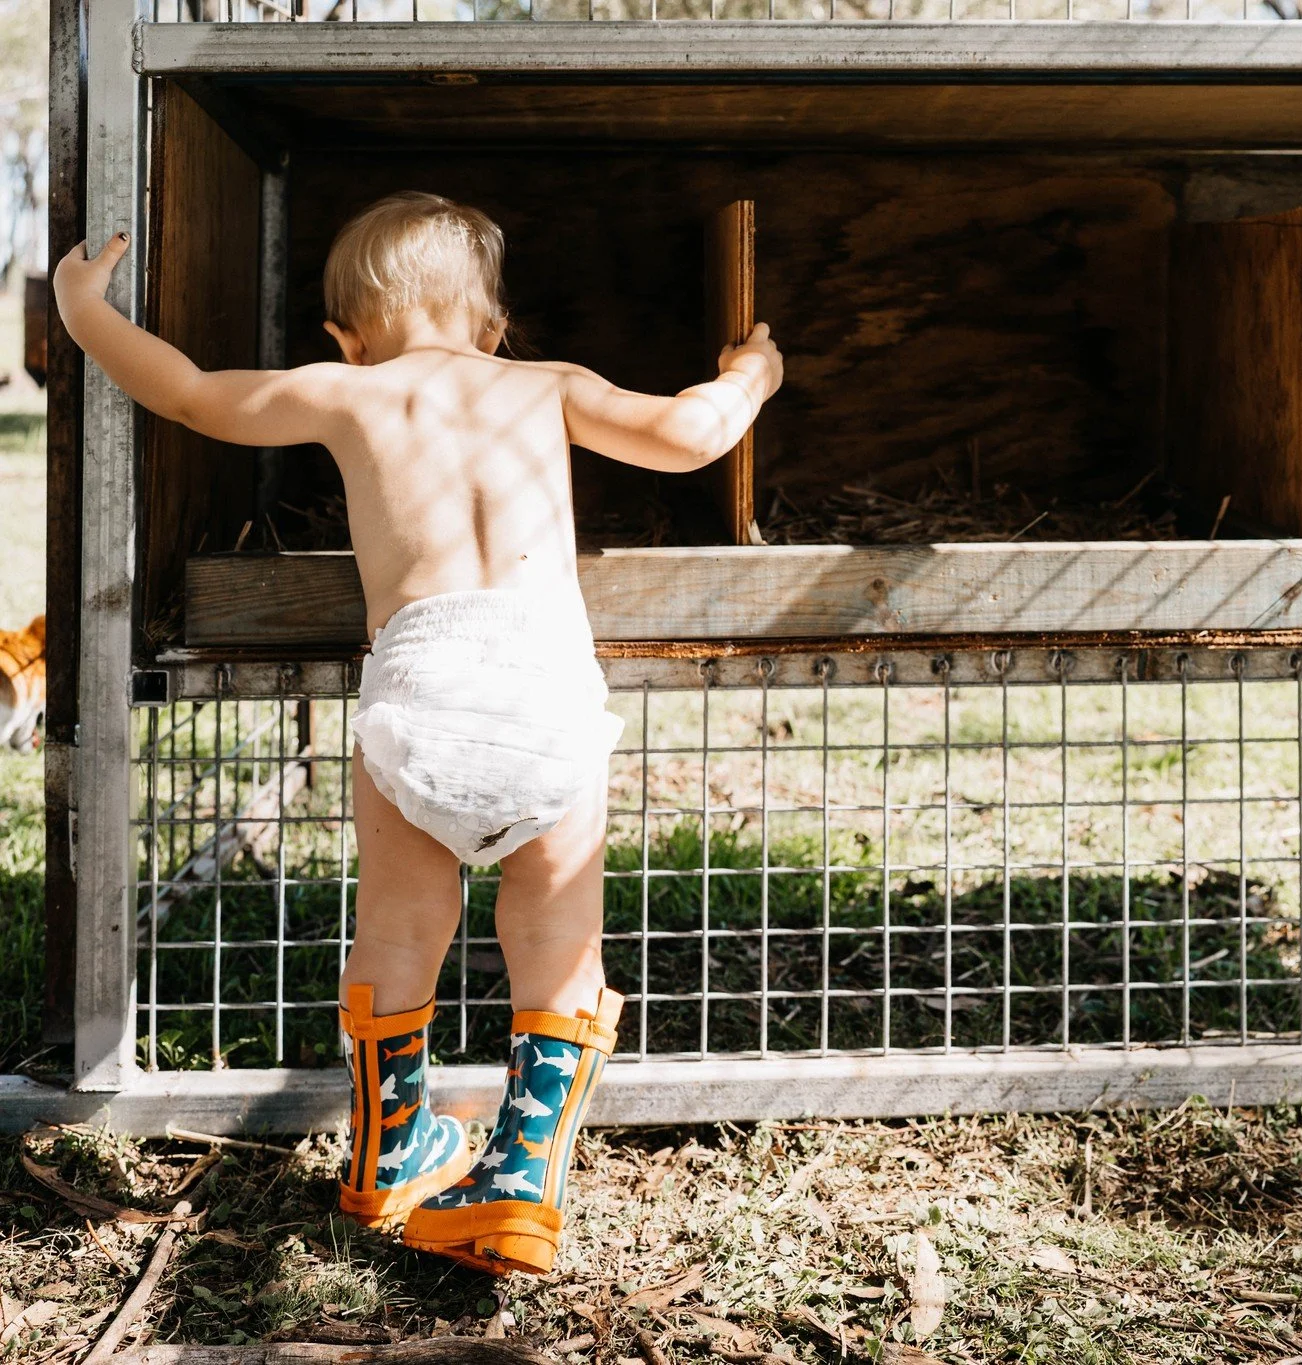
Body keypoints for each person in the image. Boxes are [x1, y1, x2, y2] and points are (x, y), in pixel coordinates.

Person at [54, 191, 783, 1275]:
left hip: (421, 683)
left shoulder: (348, 391)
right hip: (544, 688)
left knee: (401, 928)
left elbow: (196, 398)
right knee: (554, 940)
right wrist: (751, 372)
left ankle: (390, 1156)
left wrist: (82, 309)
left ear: (345, 333)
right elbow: (688, 436)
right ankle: (519, 1183)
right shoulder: (546, 384)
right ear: (492, 325)